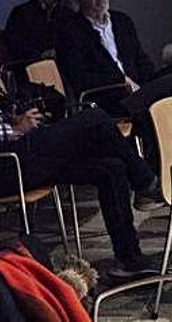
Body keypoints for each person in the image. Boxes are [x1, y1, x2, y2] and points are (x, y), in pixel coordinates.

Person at [0, 105, 162, 278]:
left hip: (20, 154)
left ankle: (130, 259)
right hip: (8, 164)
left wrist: (14, 119)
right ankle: (148, 184)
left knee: (111, 168)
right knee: (94, 119)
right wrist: (15, 128)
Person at [55, 0, 155, 114]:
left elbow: (141, 59)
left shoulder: (122, 21)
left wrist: (151, 83)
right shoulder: (70, 31)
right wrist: (120, 80)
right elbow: (79, 77)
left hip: (137, 91)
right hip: (106, 97)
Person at [3, 0, 75, 62]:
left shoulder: (69, 14)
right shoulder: (21, 13)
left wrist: (59, 52)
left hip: (61, 66)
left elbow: (74, 43)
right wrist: (39, 55)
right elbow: (13, 43)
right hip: (30, 64)